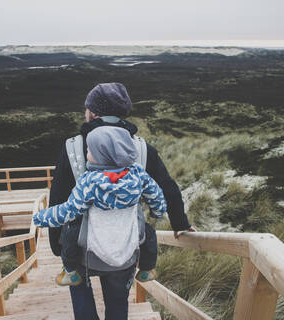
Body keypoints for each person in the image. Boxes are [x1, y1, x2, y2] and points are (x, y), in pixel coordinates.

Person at [48, 82, 196, 319]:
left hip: (80, 244)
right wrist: (179, 223)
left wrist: (56, 243)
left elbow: (57, 198)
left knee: (82, 300)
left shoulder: (73, 148)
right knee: (117, 304)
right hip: (125, 245)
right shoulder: (142, 149)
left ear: (93, 112)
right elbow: (168, 188)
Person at [33, 126, 166, 289]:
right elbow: (156, 195)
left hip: (95, 242)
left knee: (70, 233)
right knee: (149, 232)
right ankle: (147, 269)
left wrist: (41, 218)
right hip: (128, 238)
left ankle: (70, 272)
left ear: (101, 155)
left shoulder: (89, 181)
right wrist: (158, 211)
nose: (86, 153)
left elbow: (68, 211)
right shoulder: (139, 175)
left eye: (89, 150)